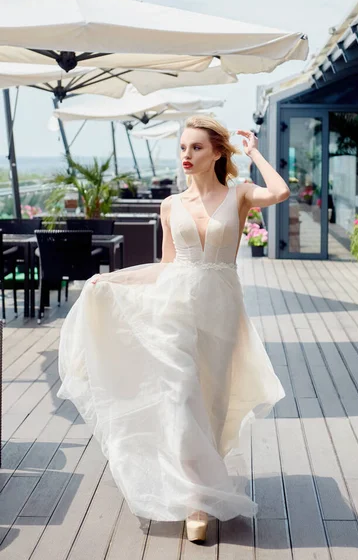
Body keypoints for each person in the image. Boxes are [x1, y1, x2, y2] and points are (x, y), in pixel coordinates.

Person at [56, 115, 288, 544]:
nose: (186, 155)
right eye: (183, 147)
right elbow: (166, 268)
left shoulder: (239, 195)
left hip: (220, 310)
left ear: (217, 152)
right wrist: (113, 281)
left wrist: (253, 151)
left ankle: (202, 479)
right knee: (180, 398)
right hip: (174, 311)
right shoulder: (170, 205)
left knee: (211, 402)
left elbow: (280, 191)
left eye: (196, 147)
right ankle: (194, 502)